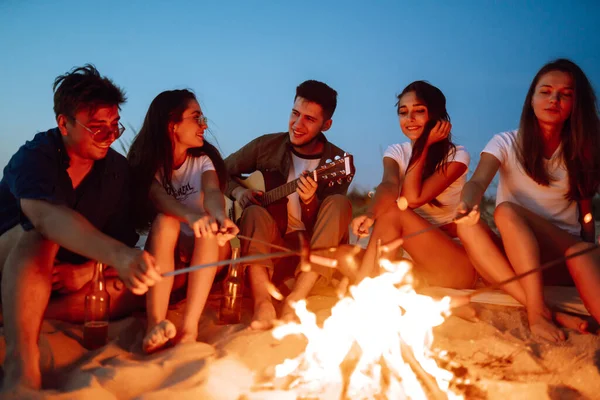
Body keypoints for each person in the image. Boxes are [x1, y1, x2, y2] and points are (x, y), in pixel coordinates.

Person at [0, 65, 162, 391]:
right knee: (42, 235)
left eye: (115, 126)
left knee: (140, 285)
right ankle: (23, 362)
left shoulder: (115, 169)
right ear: (64, 123)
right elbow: (47, 218)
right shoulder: (35, 157)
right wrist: (117, 255)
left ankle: (17, 313)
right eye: (98, 128)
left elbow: (118, 237)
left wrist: (91, 270)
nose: (111, 137)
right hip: (12, 256)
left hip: (66, 273)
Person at [455, 58, 600, 342]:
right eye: (545, 91)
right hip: (519, 256)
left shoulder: (581, 150)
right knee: (467, 227)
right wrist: (467, 203)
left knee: (507, 211)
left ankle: (535, 312)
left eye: (565, 94)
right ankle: (548, 312)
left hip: (561, 256)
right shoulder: (506, 142)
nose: (553, 99)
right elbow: (477, 181)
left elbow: (586, 215)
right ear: (531, 99)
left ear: (575, 105)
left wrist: (589, 249)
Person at [224, 80, 352, 329]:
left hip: (311, 254)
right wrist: (238, 191)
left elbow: (328, 225)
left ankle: (296, 299)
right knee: (252, 212)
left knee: (339, 203)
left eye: (309, 119)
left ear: (326, 125)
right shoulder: (266, 146)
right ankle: (263, 304)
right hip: (271, 248)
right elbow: (218, 172)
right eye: (295, 114)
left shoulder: (336, 164)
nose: (297, 124)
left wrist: (309, 203)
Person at [128, 89, 238, 353]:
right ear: (172, 125)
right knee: (166, 220)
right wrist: (191, 216)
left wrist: (220, 217)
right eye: (196, 118)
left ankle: (189, 328)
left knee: (209, 231)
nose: (205, 125)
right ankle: (155, 324)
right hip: (170, 258)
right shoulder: (149, 166)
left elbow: (212, 193)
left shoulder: (202, 161)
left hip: (208, 255)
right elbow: (161, 200)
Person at [351, 81, 476, 289]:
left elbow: (413, 198)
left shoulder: (457, 156)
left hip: (453, 265)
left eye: (419, 111)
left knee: (395, 211)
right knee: (344, 254)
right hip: (412, 263)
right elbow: (389, 185)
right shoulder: (396, 151)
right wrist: (370, 214)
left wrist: (423, 146)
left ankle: (362, 289)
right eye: (403, 112)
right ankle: (369, 291)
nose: (410, 119)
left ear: (436, 116)